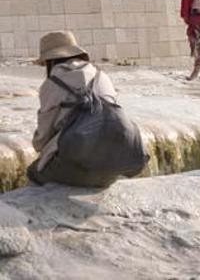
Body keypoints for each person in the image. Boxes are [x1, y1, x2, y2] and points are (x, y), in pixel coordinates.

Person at [27, 31, 145, 187]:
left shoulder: (52, 84)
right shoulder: (101, 76)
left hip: (77, 167)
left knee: (33, 172)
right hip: (112, 170)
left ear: (50, 61)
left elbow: (42, 139)